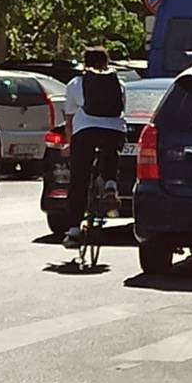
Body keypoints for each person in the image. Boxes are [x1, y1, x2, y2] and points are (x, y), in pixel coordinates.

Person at [62, 47, 127, 248]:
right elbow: (121, 110)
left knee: (79, 178)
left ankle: (73, 230)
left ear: (84, 63)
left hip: (85, 130)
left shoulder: (76, 83)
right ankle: (110, 184)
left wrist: (69, 143)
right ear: (106, 63)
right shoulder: (119, 83)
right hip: (114, 130)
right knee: (110, 151)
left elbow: (70, 118)